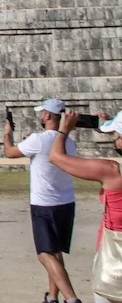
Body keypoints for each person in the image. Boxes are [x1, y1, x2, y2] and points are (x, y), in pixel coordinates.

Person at [4, 99, 81, 303]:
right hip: (66, 202)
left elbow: (9, 152)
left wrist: (7, 133)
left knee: (44, 254)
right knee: (55, 254)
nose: (40, 116)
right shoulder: (69, 142)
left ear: (47, 116)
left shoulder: (38, 139)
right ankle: (52, 297)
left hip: (44, 204)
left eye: (42, 113)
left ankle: (72, 299)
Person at [51, 110, 122, 303]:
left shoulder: (112, 172)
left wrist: (63, 130)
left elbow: (56, 157)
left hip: (114, 258)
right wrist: (111, 125)